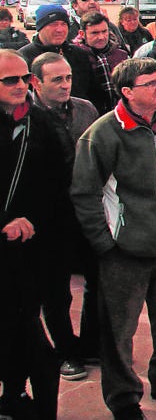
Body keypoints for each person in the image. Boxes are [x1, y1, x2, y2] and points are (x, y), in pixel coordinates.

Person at [71, 57, 156, 419]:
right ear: (127, 92)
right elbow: (86, 194)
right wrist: (106, 243)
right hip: (124, 252)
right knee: (119, 331)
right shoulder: (103, 134)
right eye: (152, 84)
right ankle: (124, 398)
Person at [0, 50, 71, 420]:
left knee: (23, 337)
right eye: (9, 80)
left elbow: (57, 184)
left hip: (29, 254)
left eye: (24, 78)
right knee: (37, 351)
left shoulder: (39, 124)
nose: (20, 85)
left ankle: (14, 398)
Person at [29, 52, 99, 385]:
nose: (65, 85)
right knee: (56, 292)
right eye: (56, 79)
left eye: (68, 77)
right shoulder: (25, 118)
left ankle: (89, 345)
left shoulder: (85, 110)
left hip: (88, 210)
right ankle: (65, 352)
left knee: (98, 282)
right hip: (49, 219)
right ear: (36, 82)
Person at [19, 4, 93, 100]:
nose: (60, 29)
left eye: (64, 24)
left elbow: (93, 92)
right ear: (40, 28)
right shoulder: (23, 58)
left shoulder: (79, 55)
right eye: (53, 24)